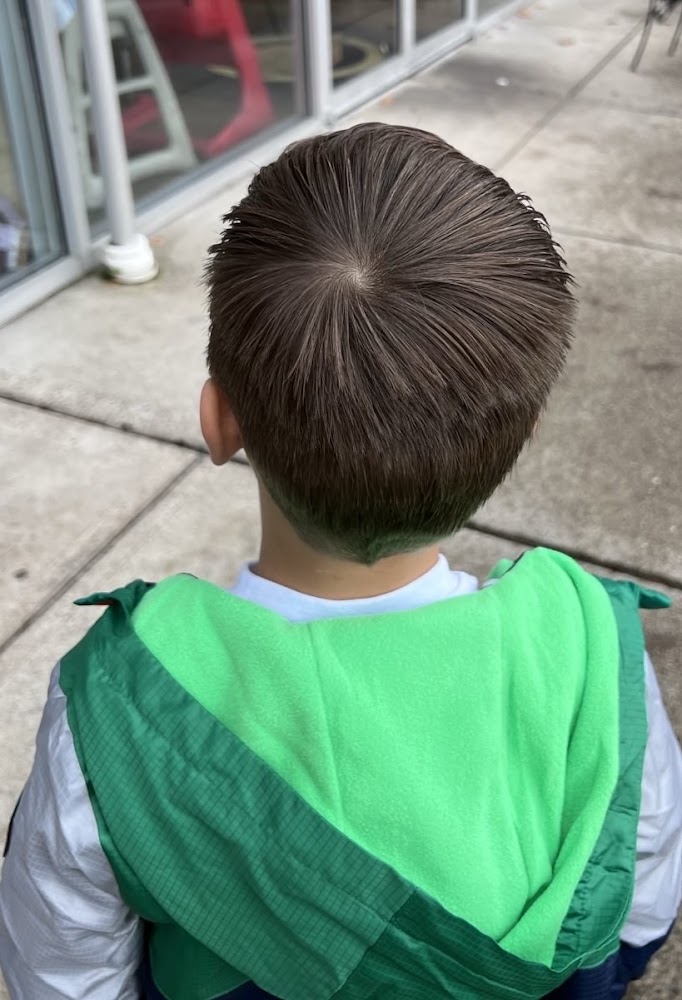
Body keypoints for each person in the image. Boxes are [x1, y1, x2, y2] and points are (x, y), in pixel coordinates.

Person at [1, 124, 680, 1000]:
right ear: (520, 443)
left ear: (220, 423)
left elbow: (62, 968)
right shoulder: (592, 644)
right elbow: (641, 893)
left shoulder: (121, 705)